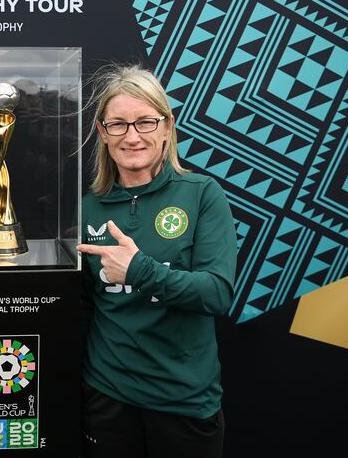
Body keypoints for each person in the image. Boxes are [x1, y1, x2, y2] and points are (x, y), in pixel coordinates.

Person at [76, 64, 236, 458]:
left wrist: (140, 270)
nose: (132, 136)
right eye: (118, 124)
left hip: (183, 401)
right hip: (109, 398)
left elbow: (217, 293)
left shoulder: (201, 194)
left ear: (167, 126)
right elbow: (81, 307)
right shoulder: (86, 210)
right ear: (102, 132)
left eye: (145, 122)